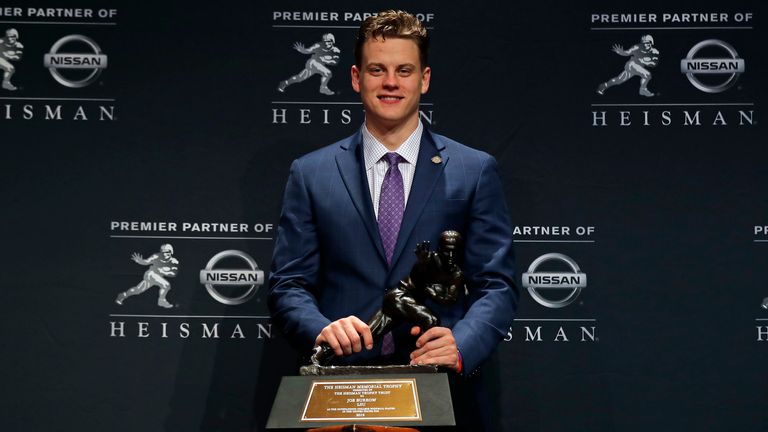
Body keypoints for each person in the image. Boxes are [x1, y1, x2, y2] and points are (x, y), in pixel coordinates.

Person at [268, 10, 517, 429]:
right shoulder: (312, 174)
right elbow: (288, 284)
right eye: (377, 69)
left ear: (424, 79)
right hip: (340, 393)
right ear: (354, 77)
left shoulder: (473, 170)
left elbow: (497, 284)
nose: (390, 82)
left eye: (404, 70)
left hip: (440, 393)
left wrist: (460, 345)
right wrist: (321, 328)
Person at [115, 244, 179, 308]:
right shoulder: (156, 256)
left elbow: (173, 274)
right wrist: (141, 261)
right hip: (151, 274)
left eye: (167, 252)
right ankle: (161, 301)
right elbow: (146, 261)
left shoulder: (174, 262)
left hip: (158, 277)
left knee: (137, 290)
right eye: (163, 252)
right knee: (166, 285)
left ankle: (123, 295)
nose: (165, 254)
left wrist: (163, 271)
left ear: (171, 252)